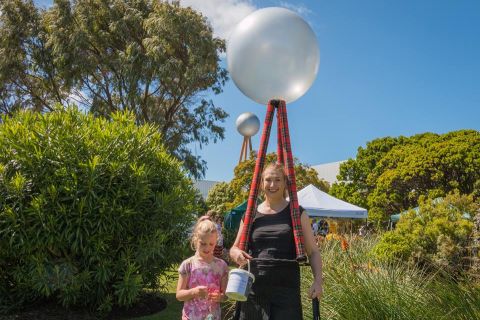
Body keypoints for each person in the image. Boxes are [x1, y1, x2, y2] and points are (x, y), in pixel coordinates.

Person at [229, 163, 323, 320]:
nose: (273, 185)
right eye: (268, 180)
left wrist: (318, 281)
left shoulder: (297, 213)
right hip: (254, 291)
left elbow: (313, 252)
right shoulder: (250, 214)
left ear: (285, 183)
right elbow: (234, 248)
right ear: (261, 183)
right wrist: (236, 253)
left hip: (286, 292)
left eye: (278, 180)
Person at [176, 216, 229, 320]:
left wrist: (220, 297)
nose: (207, 248)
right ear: (195, 240)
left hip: (213, 317)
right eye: (203, 243)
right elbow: (179, 295)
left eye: (211, 244)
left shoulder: (222, 266)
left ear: (216, 242)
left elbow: (225, 295)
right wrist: (193, 292)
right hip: (191, 317)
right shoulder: (188, 265)